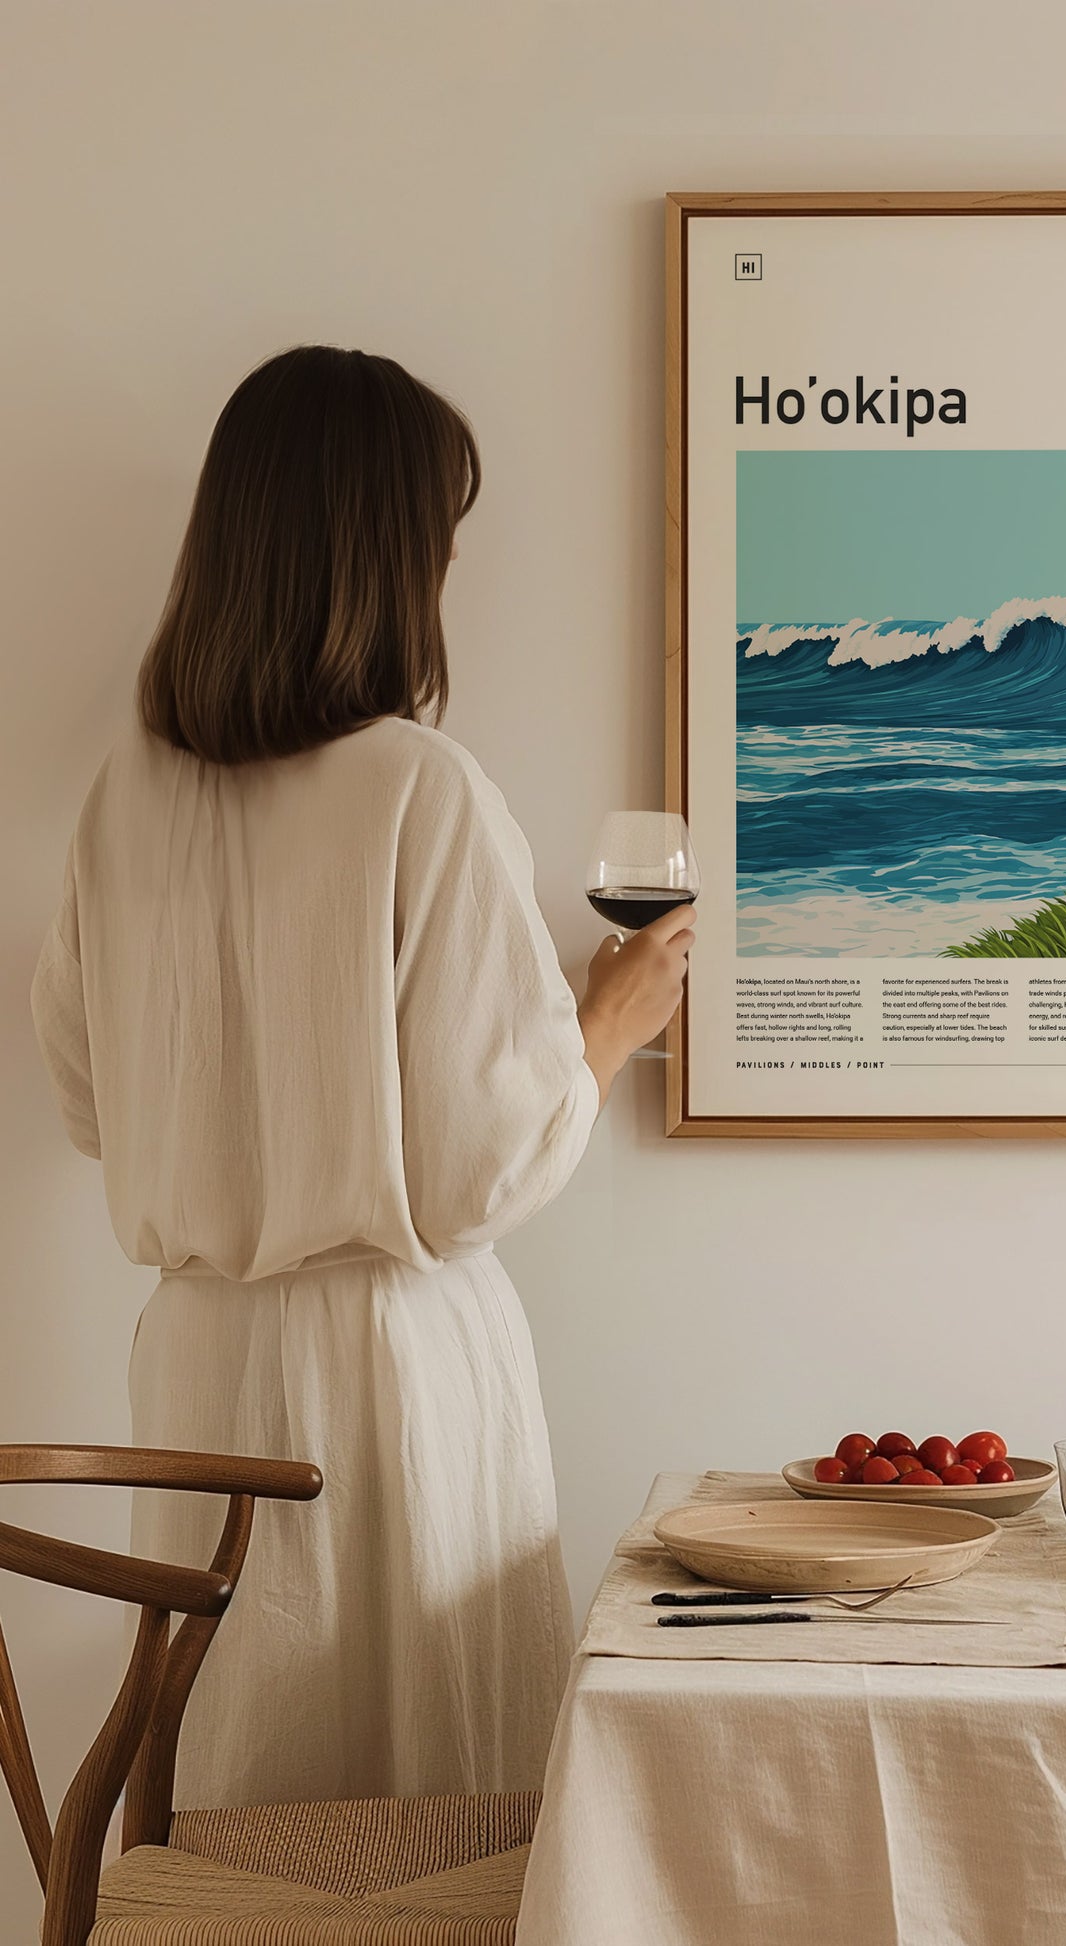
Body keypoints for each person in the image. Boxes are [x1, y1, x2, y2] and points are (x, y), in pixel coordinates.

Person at [29, 345, 690, 1806]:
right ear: (387, 556)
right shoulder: (418, 785)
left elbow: (87, 1100)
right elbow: (474, 1172)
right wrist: (607, 1019)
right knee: (424, 1813)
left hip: (198, 1362)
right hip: (390, 1373)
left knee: (241, 1794)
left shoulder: (122, 797)